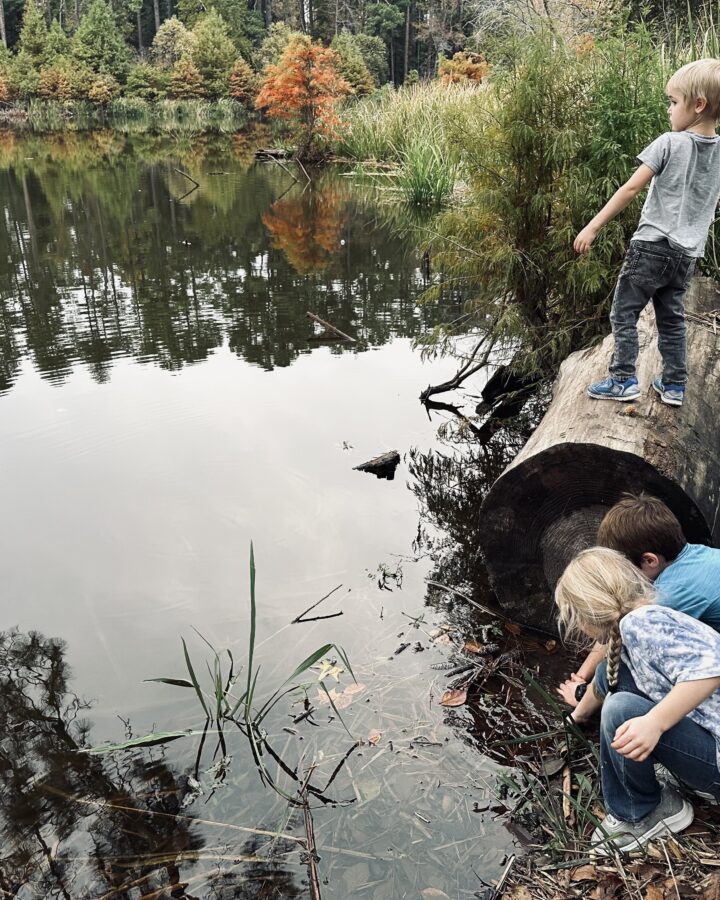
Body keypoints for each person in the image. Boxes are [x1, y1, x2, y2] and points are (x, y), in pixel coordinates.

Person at [555, 547, 720, 854]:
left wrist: (654, 723)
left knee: (620, 711)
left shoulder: (641, 624)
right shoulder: (639, 623)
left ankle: (643, 812)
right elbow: (609, 674)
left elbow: (712, 670)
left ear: (588, 613)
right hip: (710, 734)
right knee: (614, 672)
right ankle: (672, 776)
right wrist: (577, 717)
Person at [575, 59, 720, 407]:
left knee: (623, 312)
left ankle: (622, 379)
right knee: (672, 319)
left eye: (673, 102)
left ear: (697, 105)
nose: (669, 110)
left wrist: (593, 226)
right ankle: (673, 385)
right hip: (687, 254)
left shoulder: (669, 142)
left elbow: (629, 189)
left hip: (651, 246)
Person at [557, 493, 720, 714]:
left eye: (625, 569)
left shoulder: (670, 595)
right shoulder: (697, 557)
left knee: (622, 672)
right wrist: (582, 675)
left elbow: (618, 635)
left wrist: (581, 696)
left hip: (710, 677)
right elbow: (620, 617)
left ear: (650, 560)